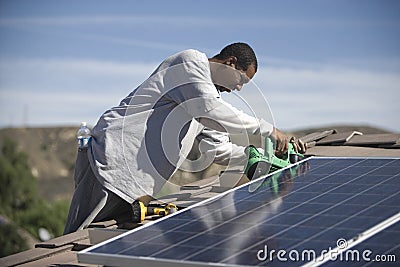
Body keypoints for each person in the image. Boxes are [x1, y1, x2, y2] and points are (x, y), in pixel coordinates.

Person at [64, 42, 304, 234]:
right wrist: (268, 129)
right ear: (231, 63)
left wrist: (262, 158)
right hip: (111, 163)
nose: (240, 89)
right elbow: (209, 108)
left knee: (104, 239)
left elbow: (216, 149)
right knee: (79, 236)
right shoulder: (189, 63)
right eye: (241, 80)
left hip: (137, 186)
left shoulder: (205, 98)